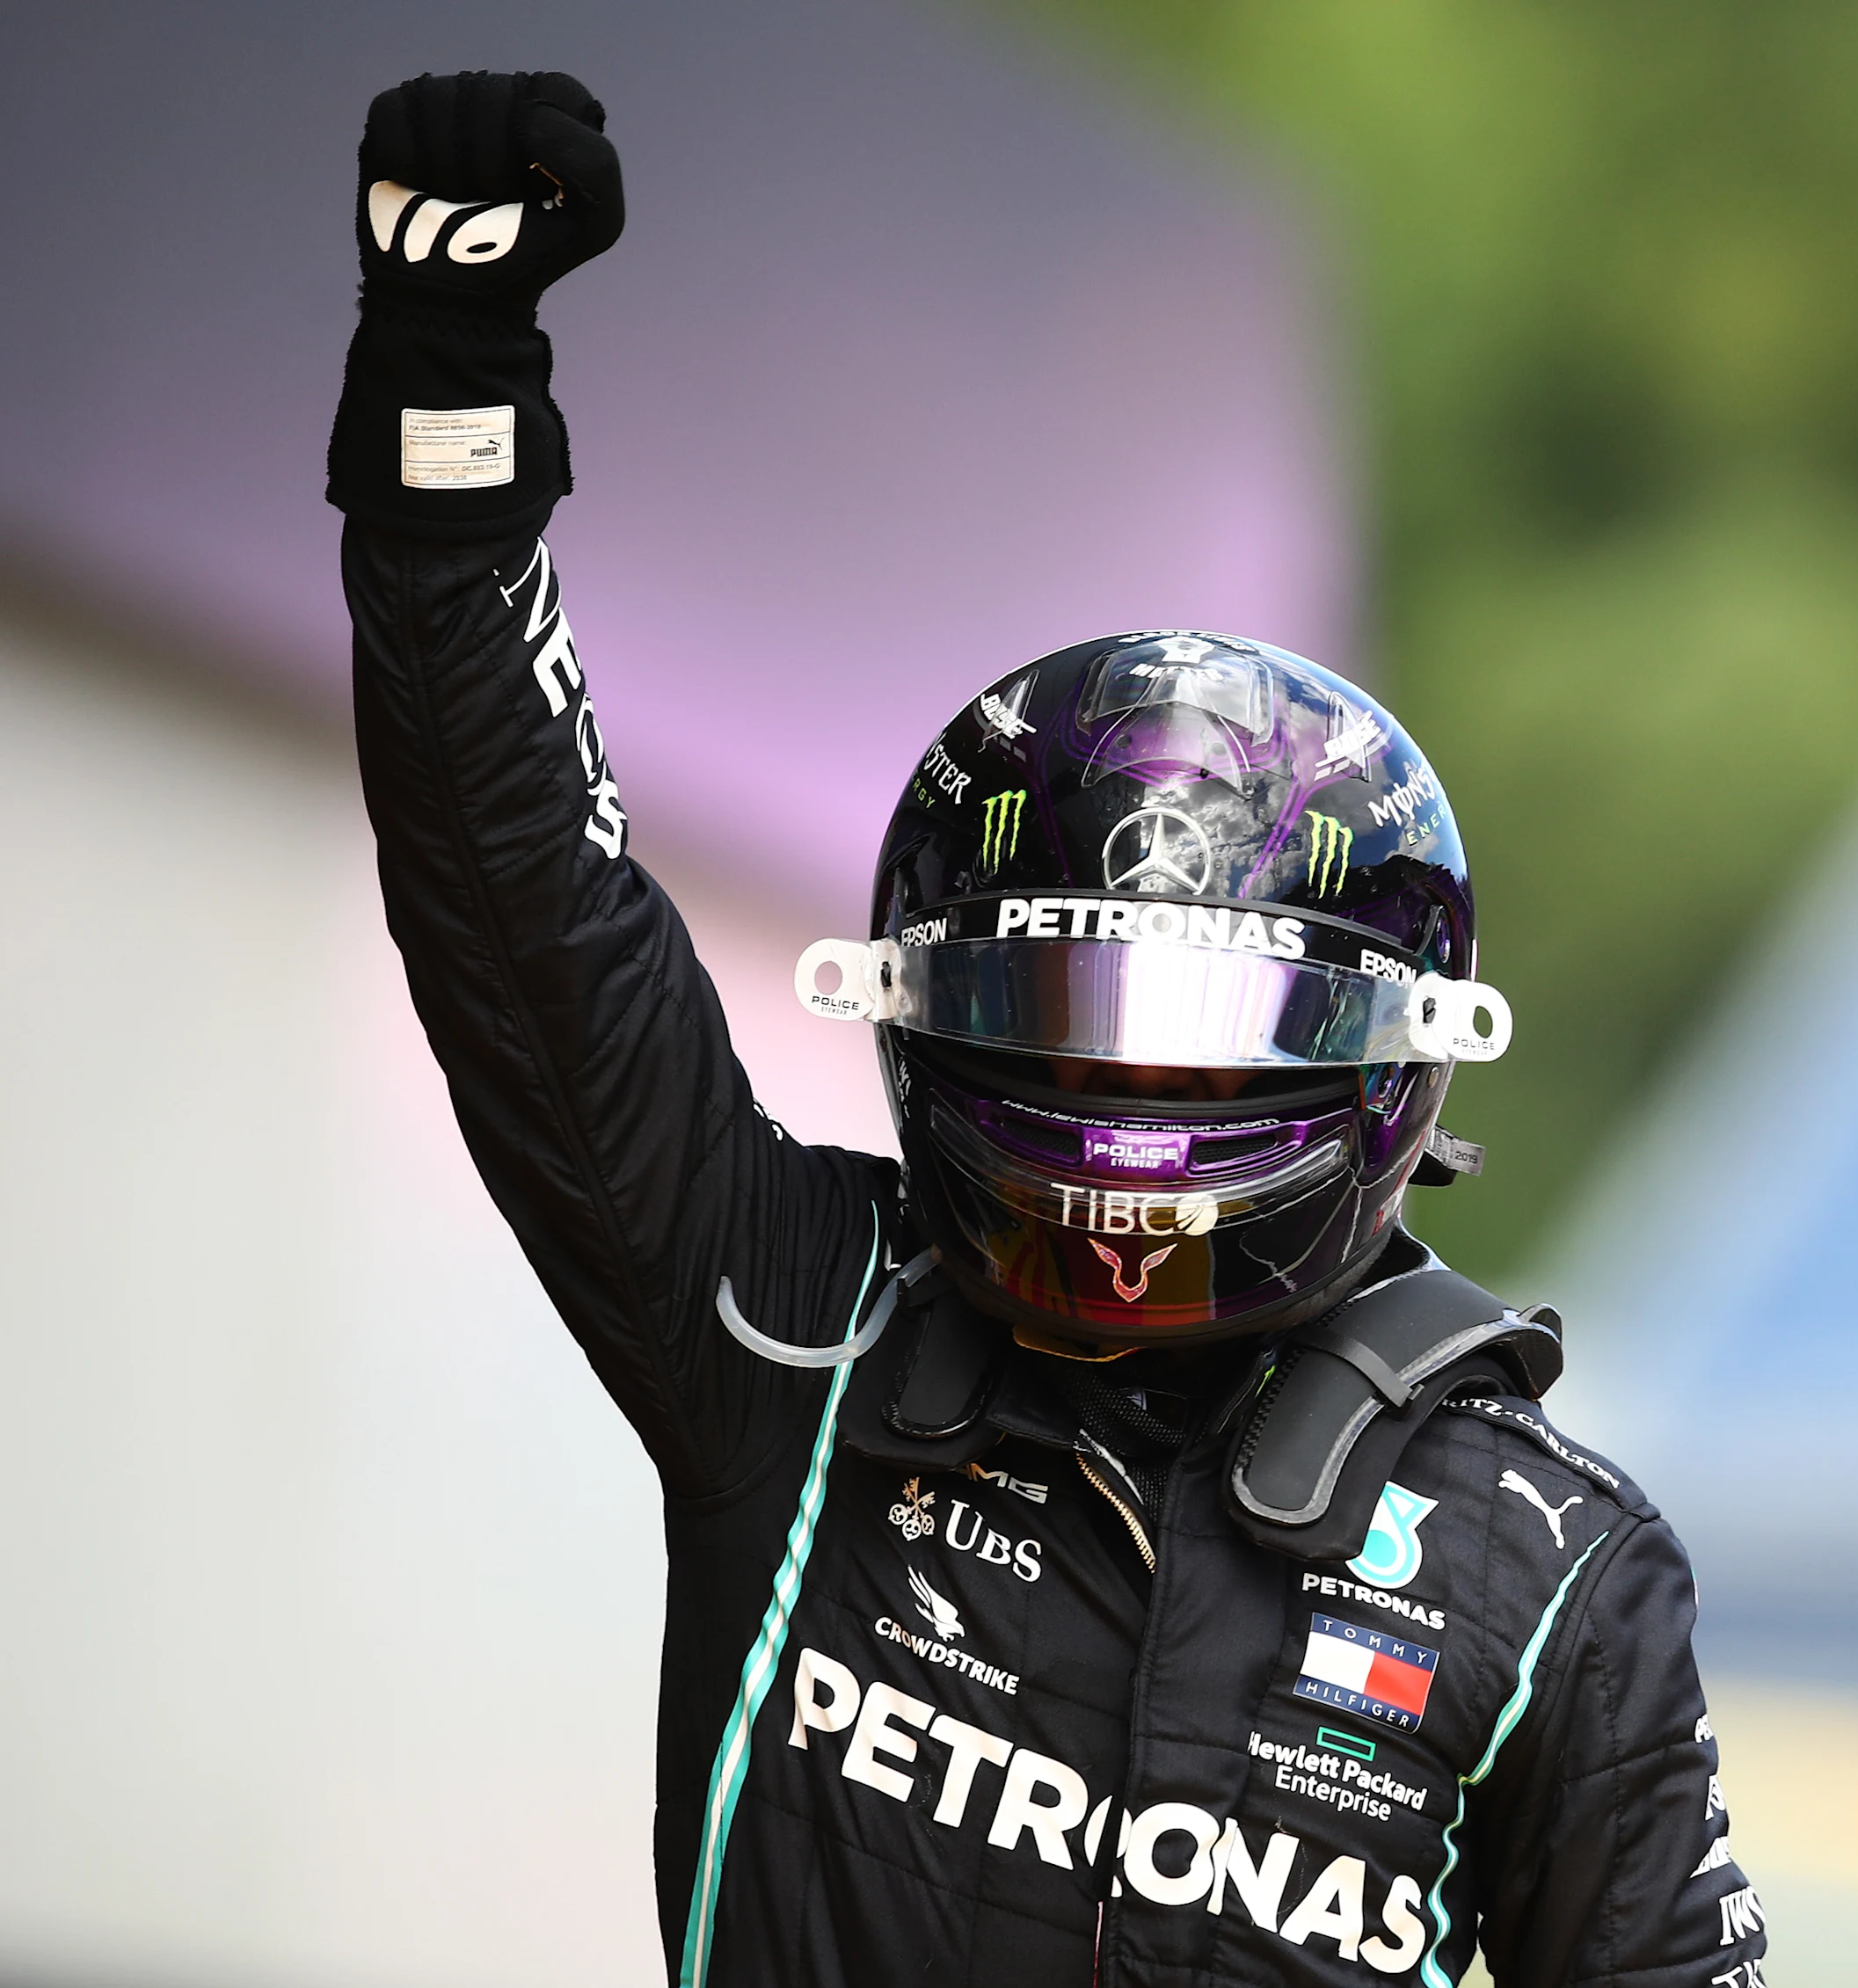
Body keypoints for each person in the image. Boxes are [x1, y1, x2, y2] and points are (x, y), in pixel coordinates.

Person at [329, 70, 1767, 1988]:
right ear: (935, 1007)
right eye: (1069, 1018)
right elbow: (520, 926)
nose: (1133, 1107)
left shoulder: (1555, 1568)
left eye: (1209, 1036)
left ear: (1387, 1056)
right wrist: (448, 395)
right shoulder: (794, 1325)